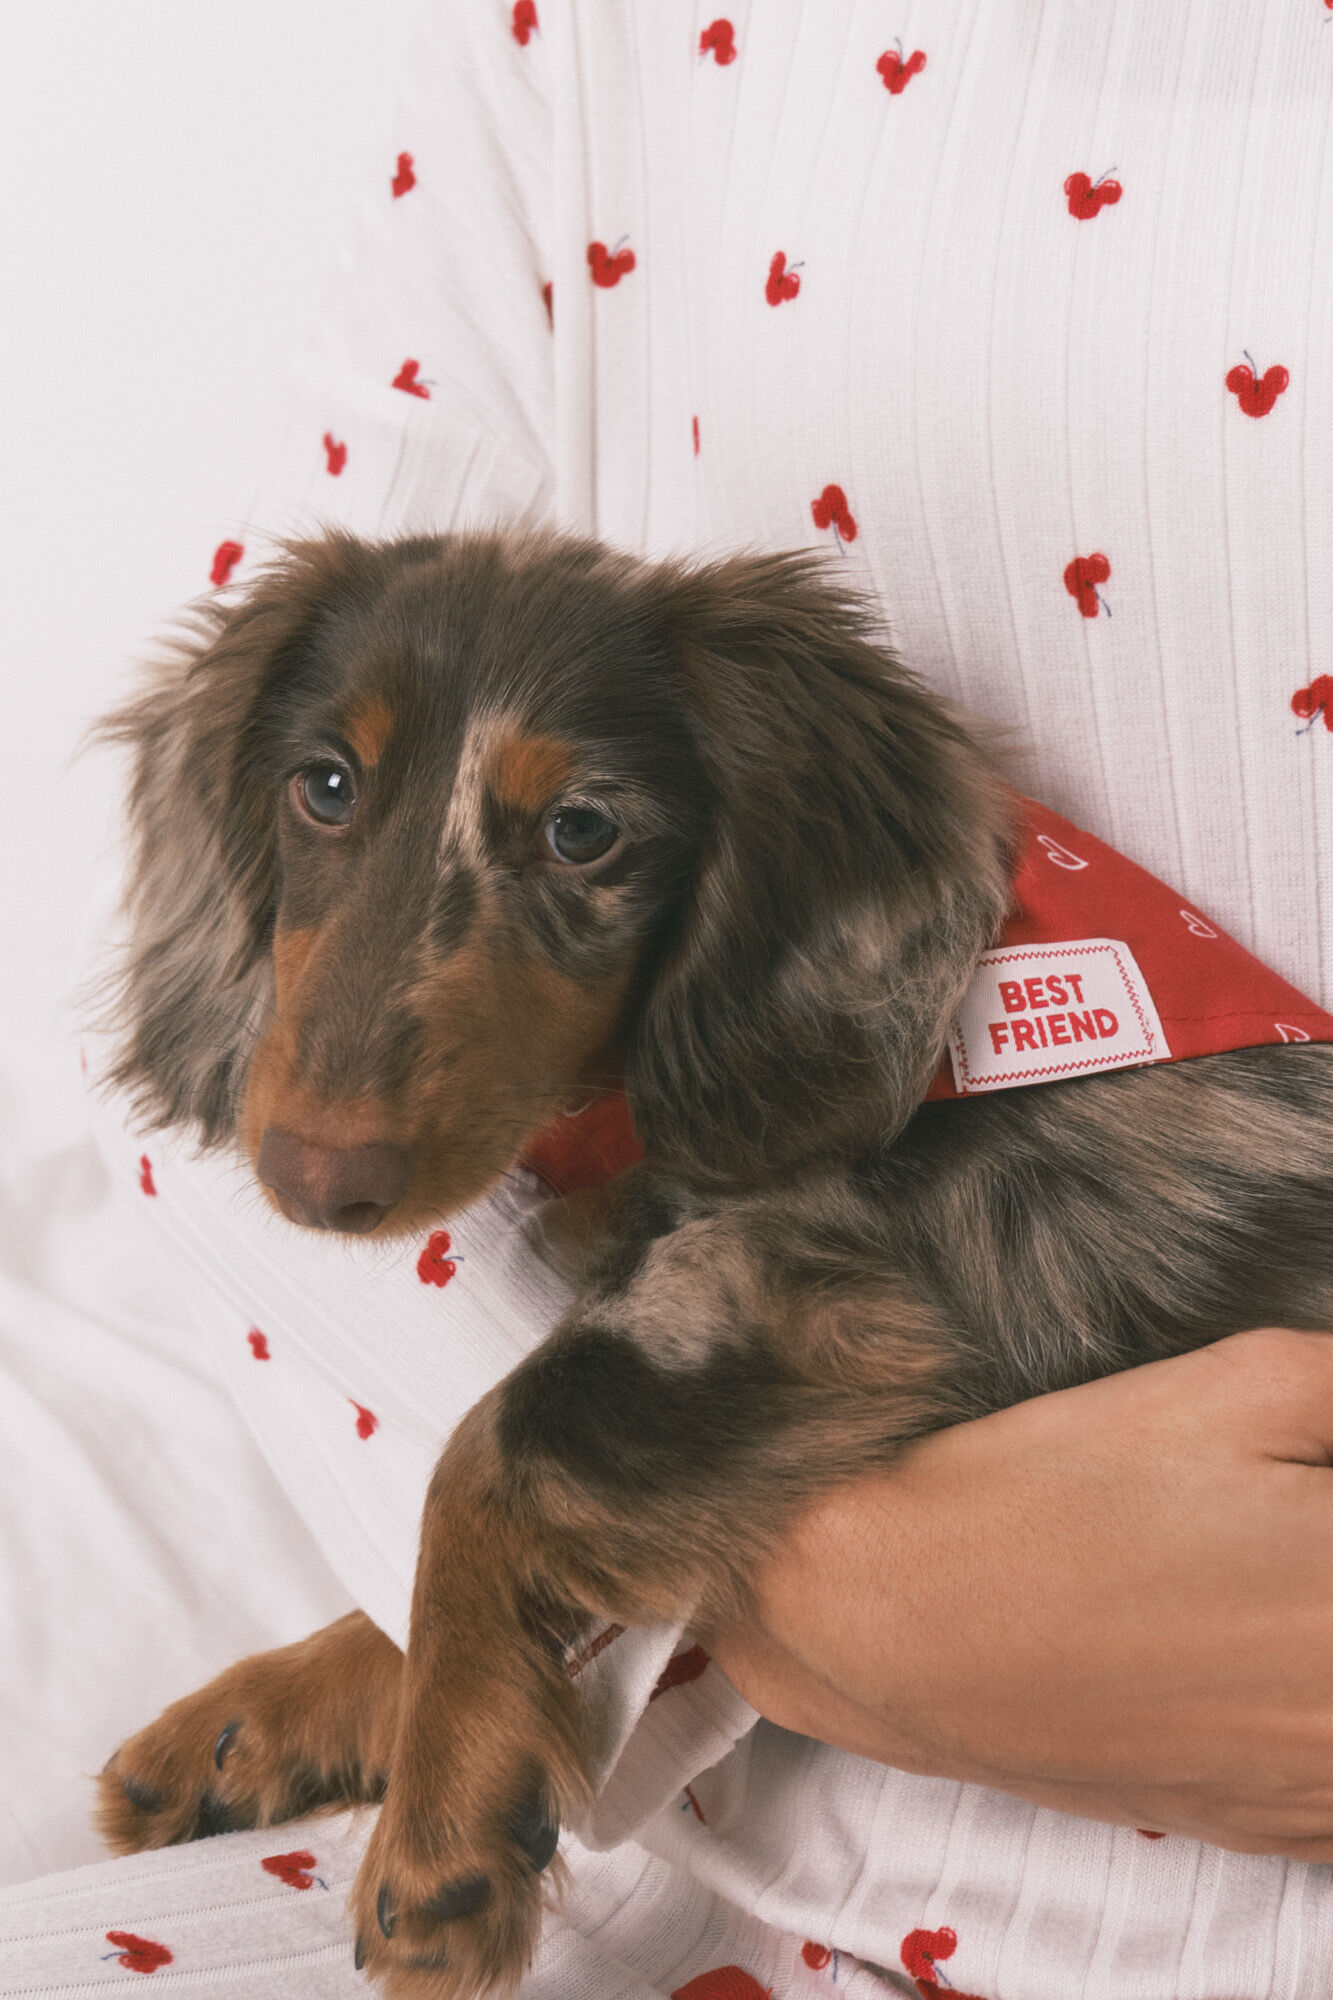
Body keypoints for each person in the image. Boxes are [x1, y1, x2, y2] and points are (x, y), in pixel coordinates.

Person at [7, 3, 1333, 1994]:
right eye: (332, 793)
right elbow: (217, 1093)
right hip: (738, 1827)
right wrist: (792, 1592)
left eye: (576, 841)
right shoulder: (602, 47)